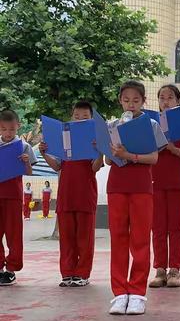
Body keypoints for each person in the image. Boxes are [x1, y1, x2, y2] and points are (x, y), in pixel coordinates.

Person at [106, 80, 165, 315]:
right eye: (126, 100)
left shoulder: (151, 124)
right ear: (120, 100)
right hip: (116, 186)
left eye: (136, 100)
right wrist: (113, 152)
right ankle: (119, 293)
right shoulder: (113, 125)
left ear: (143, 101)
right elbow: (110, 160)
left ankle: (138, 293)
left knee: (140, 240)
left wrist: (129, 155)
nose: (130, 105)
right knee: (118, 239)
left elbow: (154, 158)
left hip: (141, 187)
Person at [40, 101, 104, 287]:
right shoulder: (63, 141)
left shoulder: (94, 141)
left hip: (85, 196)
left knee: (84, 239)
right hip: (66, 197)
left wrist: (100, 152)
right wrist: (45, 154)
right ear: (71, 117)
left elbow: (95, 168)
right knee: (66, 238)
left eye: (85, 117)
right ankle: (67, 273)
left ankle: (82, 274)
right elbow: (57, 166)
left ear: (91, 119)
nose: (80, 120)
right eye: (76, 117)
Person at [149, 84, 180, 289]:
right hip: (155, 182)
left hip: (179, 183)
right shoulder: (152, 125)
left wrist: (173, 149)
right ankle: (160, 269)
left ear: (178, 101)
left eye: (170, 97)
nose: (166, 101)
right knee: (158, 227)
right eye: (162, 98)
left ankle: (175, 270)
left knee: (176, 227)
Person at [0, 110, 37, 286]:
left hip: (14, 196)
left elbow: (29, 172)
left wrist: (26, 161)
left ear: (18, 127)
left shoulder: (24, 146)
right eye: (4, 129)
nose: (7, 133)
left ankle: (11, 270)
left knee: (14, 234)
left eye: (11, 129)